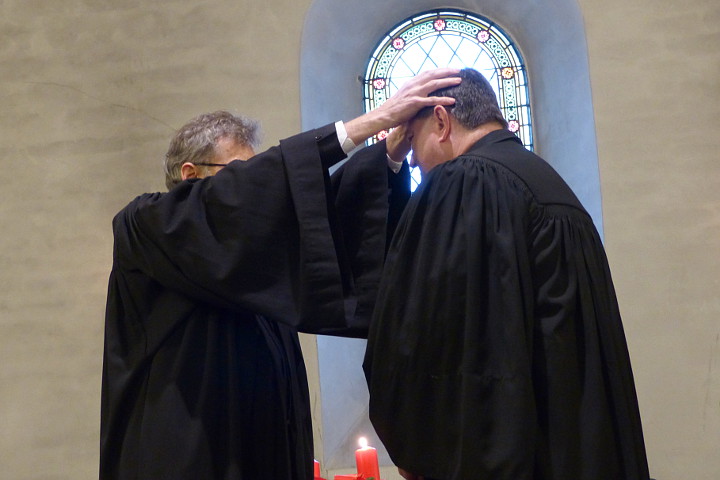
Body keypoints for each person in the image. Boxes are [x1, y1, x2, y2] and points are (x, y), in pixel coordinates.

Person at [99, 69, 461, 480]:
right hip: (190, 458)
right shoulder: (145, 226)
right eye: (241, 176)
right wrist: (366, 124)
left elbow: (327, 225)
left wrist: (387, 158)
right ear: (189, 175)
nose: (259, 194)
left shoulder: (255, 259)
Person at [363, 68, 651, 480]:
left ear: (441, 122)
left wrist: (413, 443)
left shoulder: (464, 182)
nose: (414, 160)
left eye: (412, 140)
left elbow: (433, 339)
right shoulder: (551, 185)